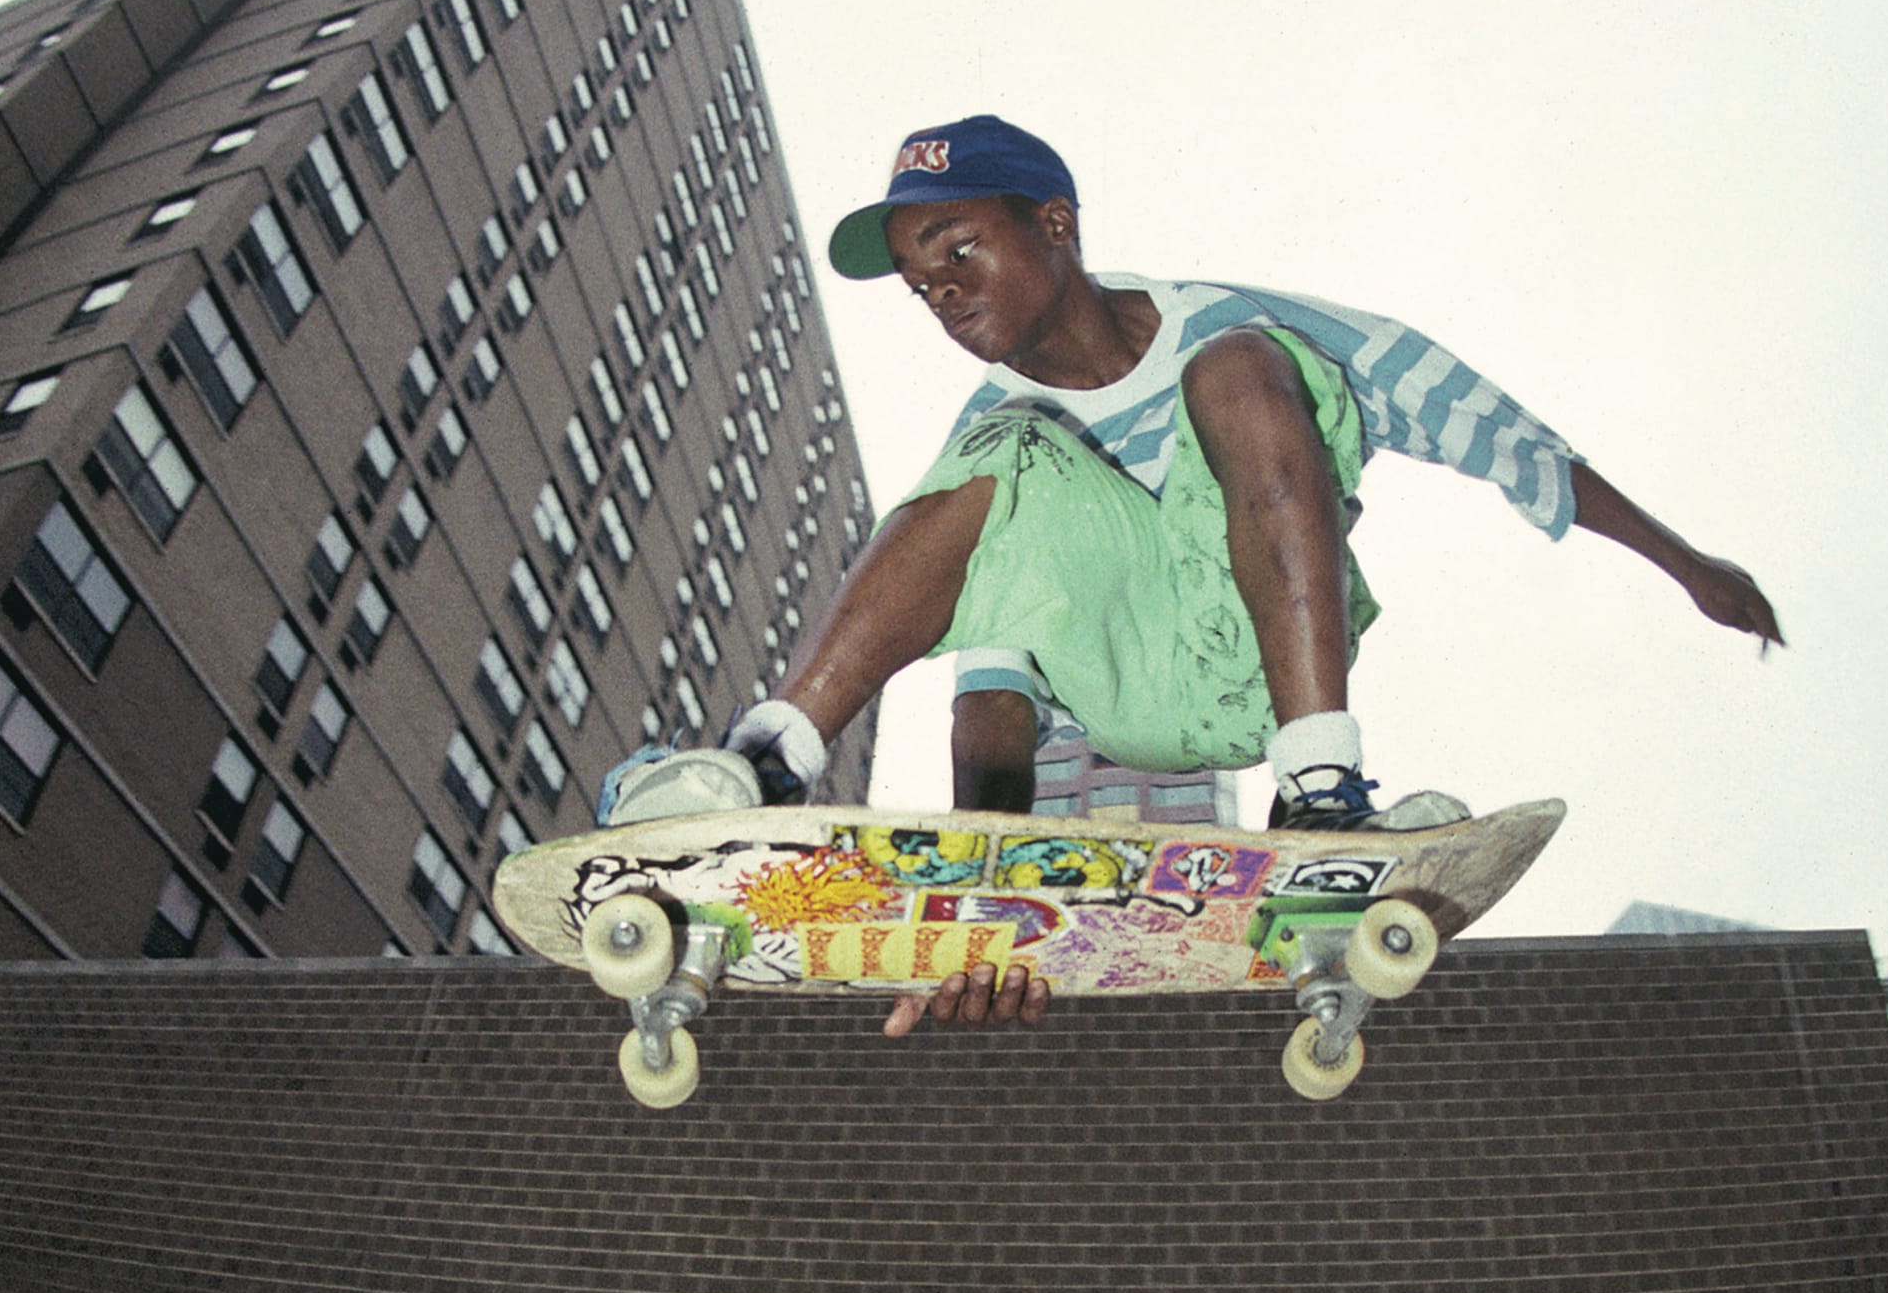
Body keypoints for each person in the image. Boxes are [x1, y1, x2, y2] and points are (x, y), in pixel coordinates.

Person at [601, 116, 1781, 1037]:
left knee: (1239, 364)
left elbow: (1483, 423)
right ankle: (763, 764)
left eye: (960, 249)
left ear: (1055, 223)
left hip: (1254, 660)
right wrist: (984, 897)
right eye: (922, 282)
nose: (945, 294)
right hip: (1109, 689)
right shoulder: (998, 435)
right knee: (995, 452)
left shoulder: (1236, 320)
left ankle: (1321, 783)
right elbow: (993, 674)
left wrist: (1684, 561)